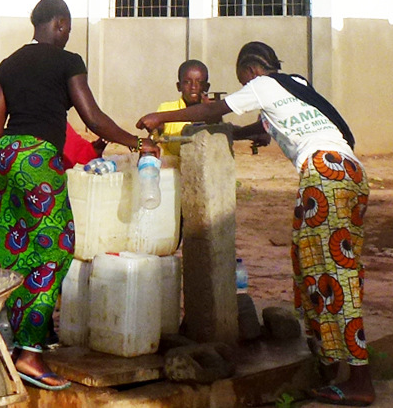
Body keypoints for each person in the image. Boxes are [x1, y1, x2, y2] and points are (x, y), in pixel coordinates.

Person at [137, 42, 374, 406]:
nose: (244, 87)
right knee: (311, 267)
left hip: (324, 174)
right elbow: (263, 126)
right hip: (349, 172)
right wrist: (248, 134)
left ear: (250, 71)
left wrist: (159, 118)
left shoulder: (262, 84)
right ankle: (330, 363)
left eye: (241, 80)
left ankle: (359, 379)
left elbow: (217, 109)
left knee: (332, 275)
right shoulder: (296, 82)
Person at [0, 0, 157, 391]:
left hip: (6, 153)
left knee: (17, 248)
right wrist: (136, 144)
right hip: (37, 156)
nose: (67, 34)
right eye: (67, 28)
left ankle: (17, 339)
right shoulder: (67, 61)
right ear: (60, 25)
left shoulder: (8, 63)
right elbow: (92, 116)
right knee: (55, 249)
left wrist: (9, 165)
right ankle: (30, 354)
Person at [153, 59, 210, 157]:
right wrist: (158, 130)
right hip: (174, 167)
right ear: (179, 86)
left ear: (206, 87)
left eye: (199, 82)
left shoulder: (212, 111)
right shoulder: (166, 109)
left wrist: (212, 114)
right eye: (187, 82)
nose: (193, 87)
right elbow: (154, 141)